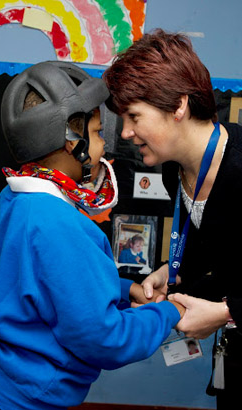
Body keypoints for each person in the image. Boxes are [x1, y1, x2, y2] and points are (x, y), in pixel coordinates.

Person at [0, 61, 185, 410]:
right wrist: (170, 312)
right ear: (72, 141)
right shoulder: (57, 224)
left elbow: (42, 283)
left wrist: (124, 288)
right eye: (98, 134)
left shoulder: (13, 198)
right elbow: (105, 338)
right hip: (20, 397)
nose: (104, 147)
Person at [103, 28, 242, 409]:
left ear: (178, 106)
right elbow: (212, 241)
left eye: (134, 116)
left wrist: (226, 312)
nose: (127, 132)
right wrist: (173, 271)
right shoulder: (173, 170)